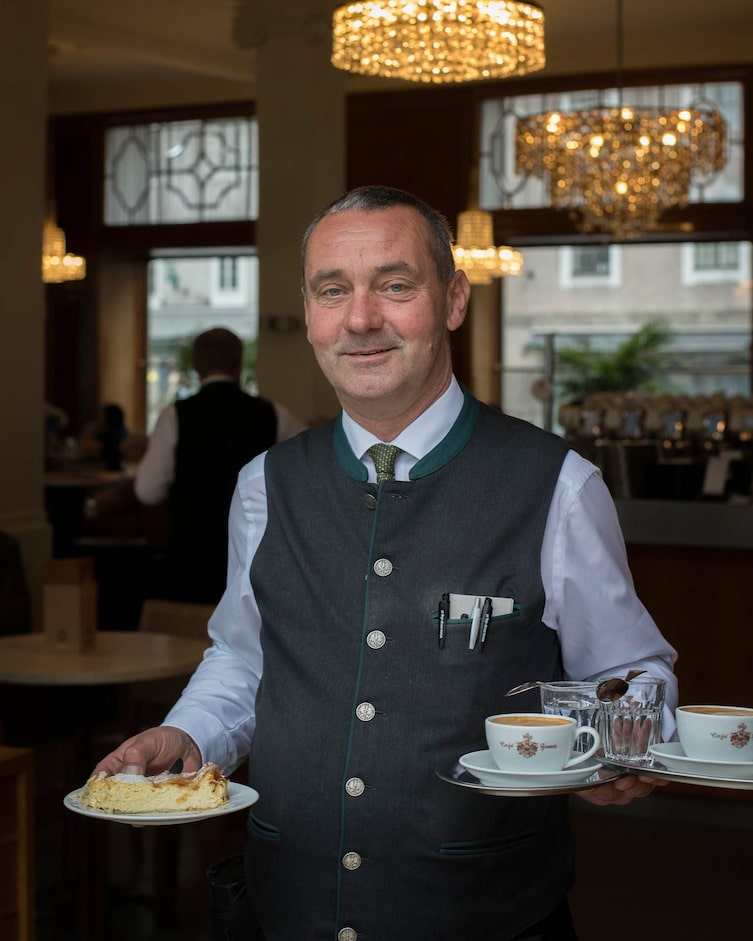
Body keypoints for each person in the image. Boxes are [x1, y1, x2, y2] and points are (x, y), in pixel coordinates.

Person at [94, 187, 678, 940]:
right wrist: (190, 735)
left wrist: (628, 737)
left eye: (395, 286)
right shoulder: (263, 485)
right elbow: (244, 659)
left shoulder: (557, 484)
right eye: (332, 290)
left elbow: (632, 670)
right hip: (284, 908)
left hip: (486, 913)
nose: (361, 318)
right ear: (308, 313)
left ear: (453, 300)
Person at [133, 327, 305, 603]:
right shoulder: (274, 414)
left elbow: (147, 490)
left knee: (188, 643)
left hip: (191, 558)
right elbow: (309, 470)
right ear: (239, 364)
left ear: (195, 366)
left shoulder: (174, 416)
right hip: (255, 557)